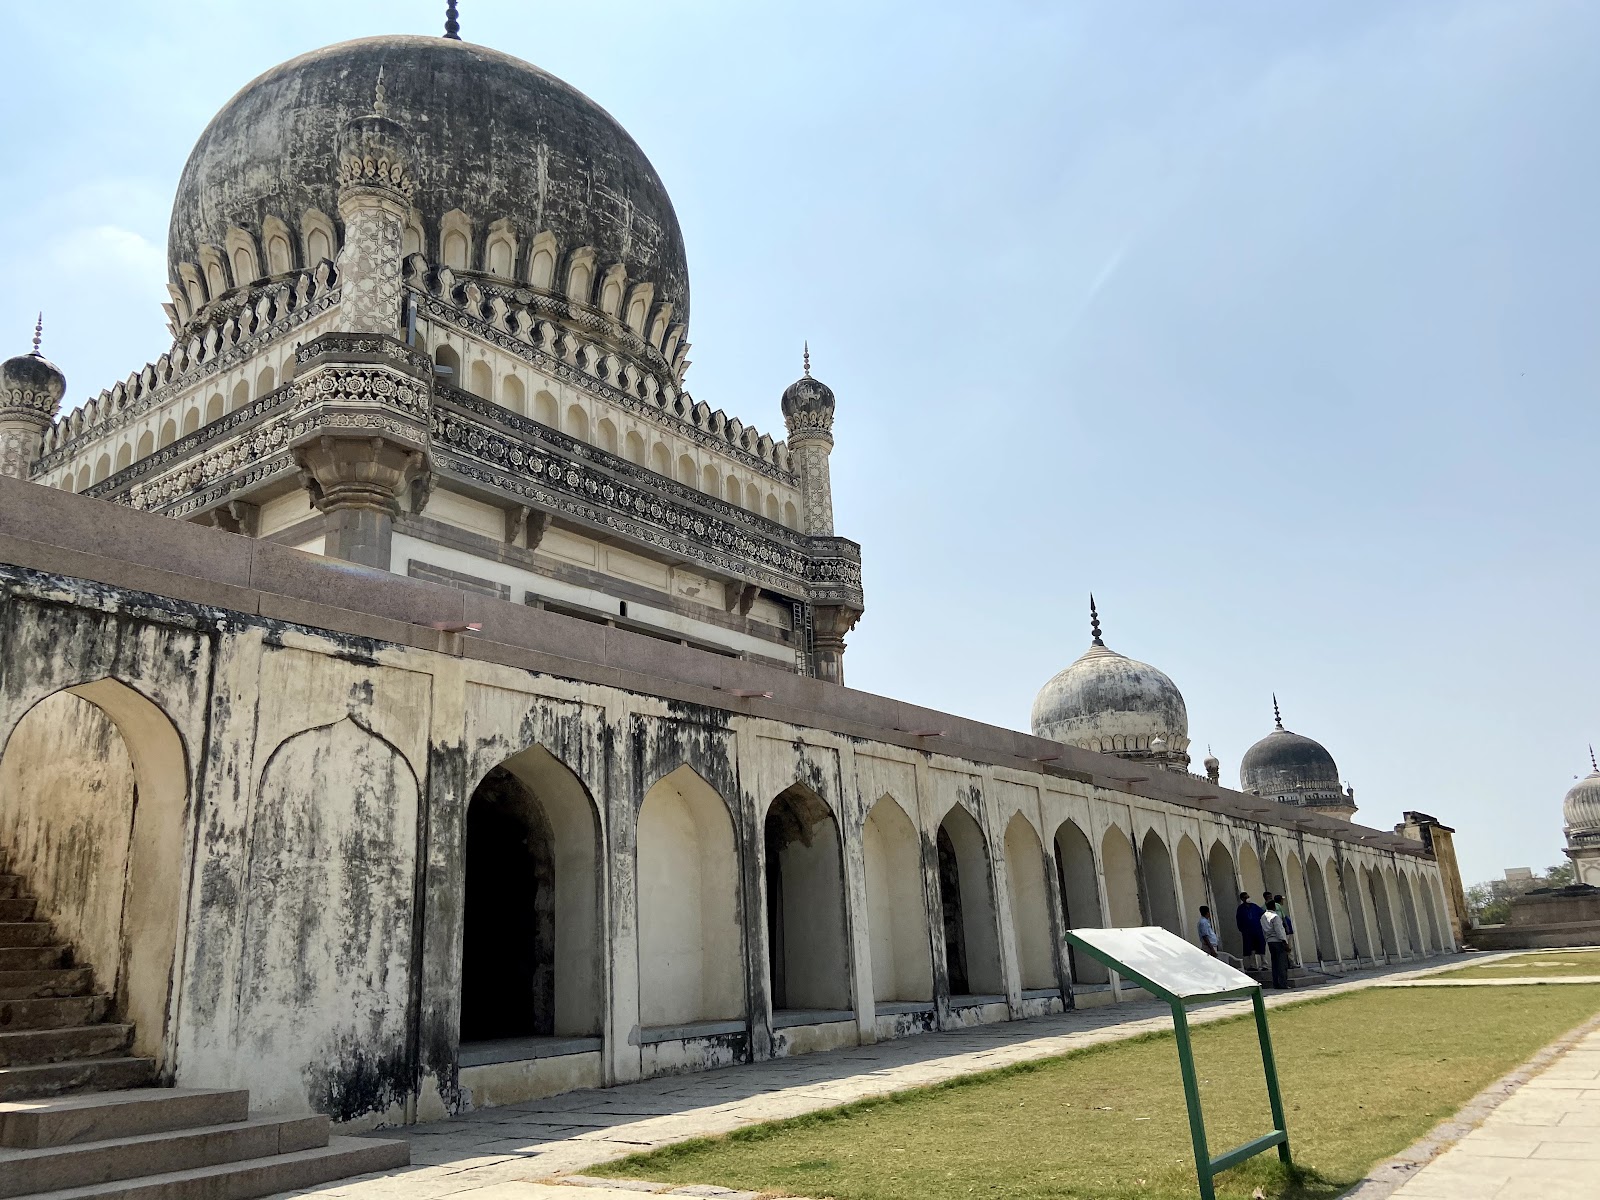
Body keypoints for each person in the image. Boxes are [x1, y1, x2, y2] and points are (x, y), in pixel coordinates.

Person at [1261, 896, 1292, 989]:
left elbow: (1263, 930)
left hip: (1270, 941)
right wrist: (1285, 942)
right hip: (1278, 941)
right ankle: (1283, 983)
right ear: (1274, 907)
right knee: (1282, 964)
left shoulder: (1263, 916)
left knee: (1274, 964)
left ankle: (1276, 983)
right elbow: (1279, 930)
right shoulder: (1275, 917)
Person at [1236, 892, 1265, 969]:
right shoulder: (1241, 909)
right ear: (1242, 899)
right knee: (1250, 948)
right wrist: (1242, 929)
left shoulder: (1254, 906)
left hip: (1257, 930)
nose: (1247, 898)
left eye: (1248, 897)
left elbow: (1262, 913)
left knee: (1261, 946)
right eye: (1245, 897)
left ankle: (1264, 964)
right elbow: (1239, 920)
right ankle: (1253, 965)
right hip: (1247, 932)